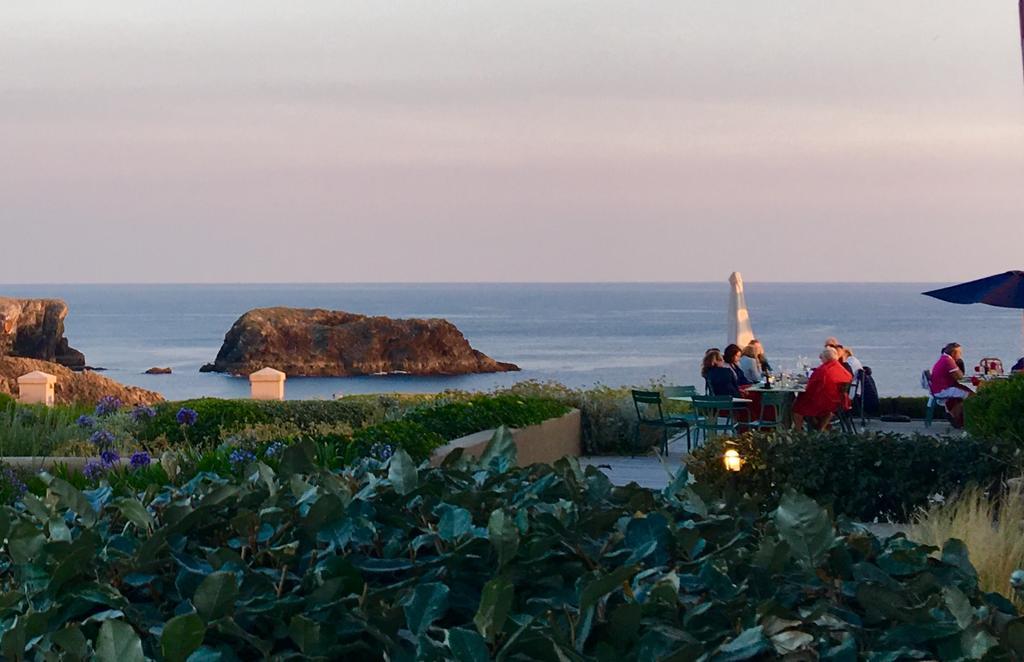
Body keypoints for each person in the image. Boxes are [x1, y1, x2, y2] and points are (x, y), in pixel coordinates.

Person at [792, 347, 853, 431]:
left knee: (797, 406)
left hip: (825, 403)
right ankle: (820, 428)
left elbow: (810, 388)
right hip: (839, 402)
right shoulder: (843, 370)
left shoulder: (823, 370)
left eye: (822, 358)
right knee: (808, 402)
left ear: (826, 358)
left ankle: (798, 431)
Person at [929, 342, 974, 428]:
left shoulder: (943, 358)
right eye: (959, 353)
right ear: (953, 353)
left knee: (964, 392)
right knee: (971, 396)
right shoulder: (948, 361)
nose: (960, 355)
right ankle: (954, 415)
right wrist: (959, 365)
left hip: (939, 388)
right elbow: (959, 377)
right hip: (943, 390)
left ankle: (954, 415)